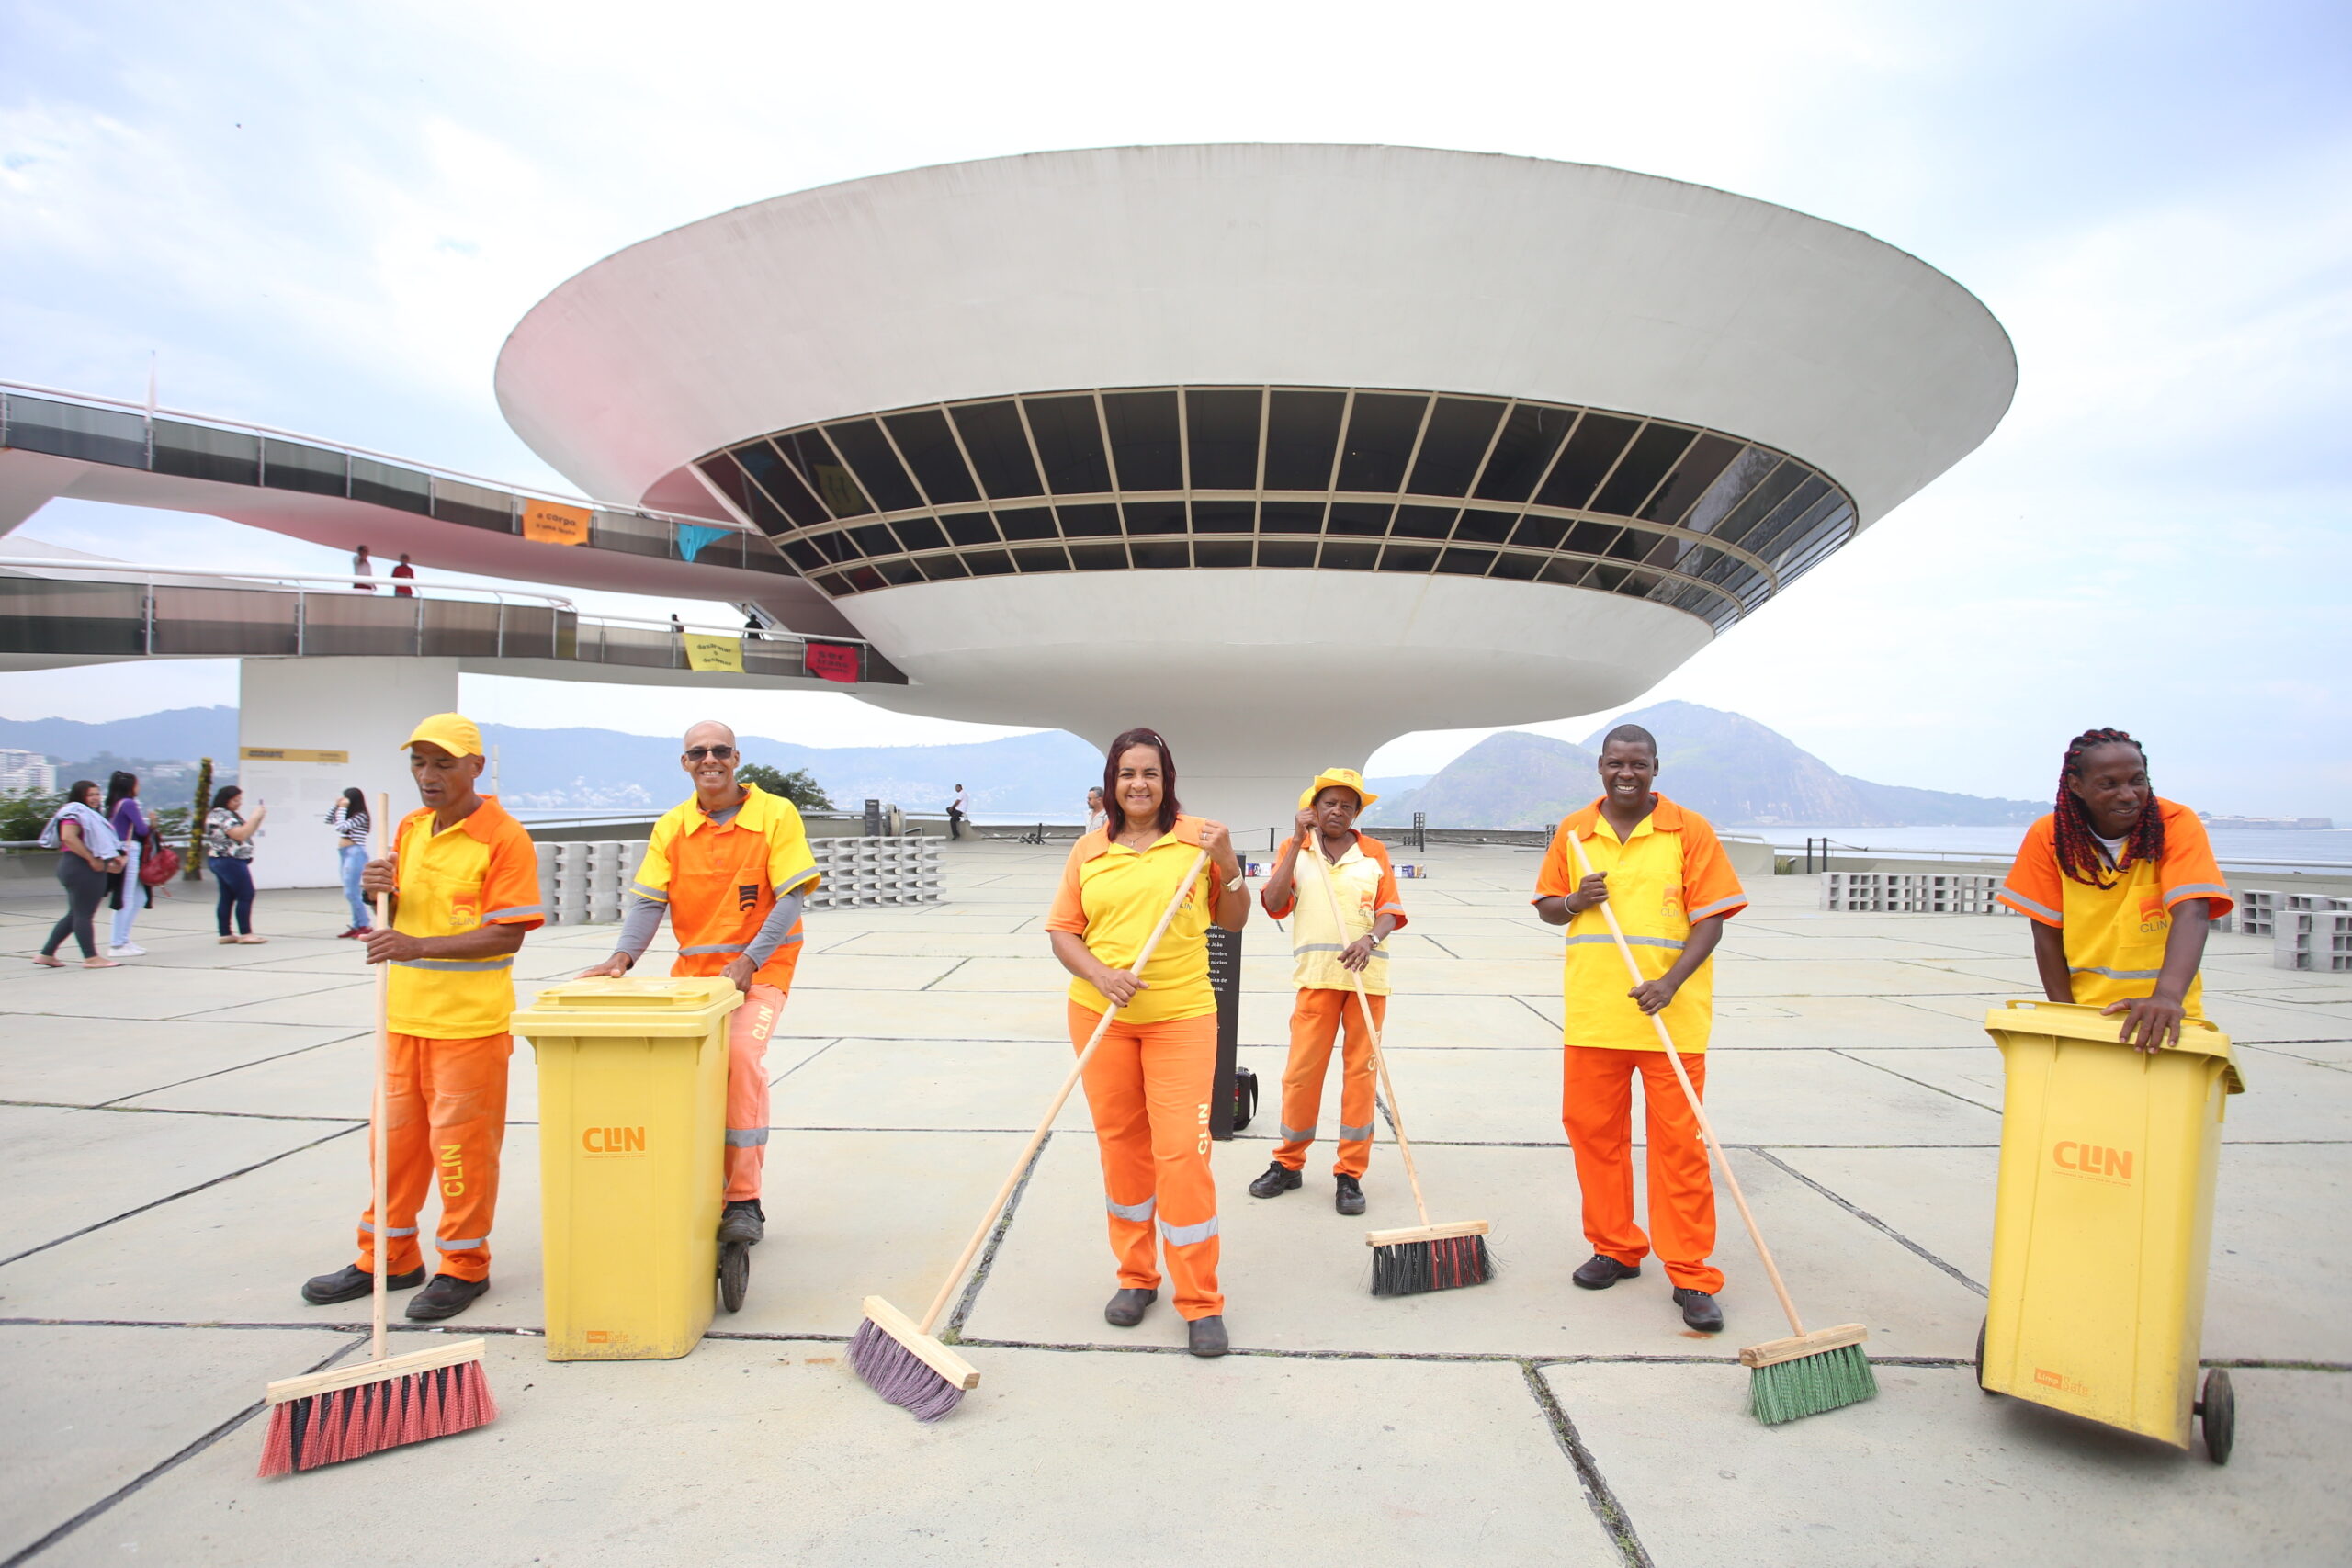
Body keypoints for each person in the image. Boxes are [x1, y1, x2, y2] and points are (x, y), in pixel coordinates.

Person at [300, 712, 542, 1322]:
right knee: (394, 1145)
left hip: (469, 1025)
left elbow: (506, 933)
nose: (427, 775)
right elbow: (400, 909)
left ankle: (463, 1264)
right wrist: (381, 888)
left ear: (475, 767)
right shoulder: (408, 827)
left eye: (442, 762)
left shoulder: (504, 837)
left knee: (460, 1148)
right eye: (419, 761)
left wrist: (417, 945)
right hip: (402, 1017)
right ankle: (387, 1254)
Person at [1532, 724, 1747, 1334]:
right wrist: (1576, 901)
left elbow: (1712, 920)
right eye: (1616, 763)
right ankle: (1616, 1247)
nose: (1627, 773)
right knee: (1593, 1137)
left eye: (1639, 763)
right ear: (1600, 766)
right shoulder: (1575, 830)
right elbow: (1548, 905)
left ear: (1656, 767)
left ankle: (1690, 1272)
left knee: (1681, 1148)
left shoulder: (1689, 829)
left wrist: (1670, 982)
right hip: (1595, 1015)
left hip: (1669, 1021)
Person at [1046, 728, 1250, 1357]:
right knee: (1122, 1150)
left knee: (1183, 1154)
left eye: (1151, 773)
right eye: (1127, 772)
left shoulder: (1199, 839)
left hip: (1182, 1017)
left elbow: (1233, 918)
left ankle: (1201, 1299)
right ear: (1113, 782)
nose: (1139, 783)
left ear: (1168, 781)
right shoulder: (1089, 849)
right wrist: (1101, 975)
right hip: (1100, 1016)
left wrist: (1229, 864)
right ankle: (1137, 1278)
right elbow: (1062, 932)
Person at [581, 720, 820, 1249]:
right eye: (697, 753)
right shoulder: (672, 827)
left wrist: (750, 961)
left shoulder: (776, 815)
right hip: (693, 978)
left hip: (762, 970)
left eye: (718, 751)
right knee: (680, 1074)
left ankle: (742, 1200)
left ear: (736, 758)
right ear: (684, 764)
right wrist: (621, 957)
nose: (708, 760)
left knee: (739, 1058)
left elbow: (790, 898)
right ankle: (690, 1185)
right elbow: (648, 900)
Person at [1996, 728, 2234, 1052]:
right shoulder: (2049, 836)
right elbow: (2047, 935)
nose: (2127, 795)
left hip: (2168, 1013)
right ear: (2077, 787)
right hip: (2088, 1014)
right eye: (2108, 784)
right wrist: (2068, 1018)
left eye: (2137, 780)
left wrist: (2165, 997)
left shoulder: (2175, 823)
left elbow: (2192, 911)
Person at [1249, 768, 1408, 1215]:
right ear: (1313, 808)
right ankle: (1289, 1163)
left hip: (1366, 981)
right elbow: (1275, 903)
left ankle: (1349, 1174)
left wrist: (1369, 939)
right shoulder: (1295, 849)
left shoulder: (1373, 852)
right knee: (1300, 1075)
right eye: (1330, 803)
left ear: (1357, 814)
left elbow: (1391, 911)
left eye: (1348, 805)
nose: (1338, 811)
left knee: (1360, 1078)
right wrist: (1298, 843)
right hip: (1316, 977)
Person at [33, 780, 124, 969]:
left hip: (78, 867)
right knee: (84, 914)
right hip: (80, 868)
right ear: (80, 796)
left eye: (97, 794)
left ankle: (47, 954)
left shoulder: (87, 815)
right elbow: (68, 837)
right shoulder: (74, 812)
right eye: (90, 795)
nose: (95, 798)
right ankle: (91, 958)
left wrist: (108, 864)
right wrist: (92, 860)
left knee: (74, 914)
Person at [204, 784, 267, 943]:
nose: (239, 803)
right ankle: (246, 933)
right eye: (235, 800)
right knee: (246, 894)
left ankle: (225, 933)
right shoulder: (223, 815)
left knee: (227, 896)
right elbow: (240, 834)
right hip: (229, 859)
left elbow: (247, 831)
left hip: (220, 859)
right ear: (226, 799)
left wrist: (258, 819)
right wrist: (254, 817)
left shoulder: (219, 814)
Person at [104, 769, 152, 956]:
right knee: (126, 898)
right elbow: (141, 829)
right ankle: (117, 943)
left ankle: (124, 938)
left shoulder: (115, 805)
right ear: (130, 787)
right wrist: (152, 824)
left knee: (139, 897)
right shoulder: (129, 804)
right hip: (129, 850)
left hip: (122, 848)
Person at [325, 786, 373, 938]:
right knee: (349, 891)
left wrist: (343, 808)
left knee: (351, 891)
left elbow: (341, 827)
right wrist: (337, 806)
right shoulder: (347, 813)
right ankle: (357, 924)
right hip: (345, 853)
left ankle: (365, 924)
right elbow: (328, 819)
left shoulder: (361, 815)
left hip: (355, 852)